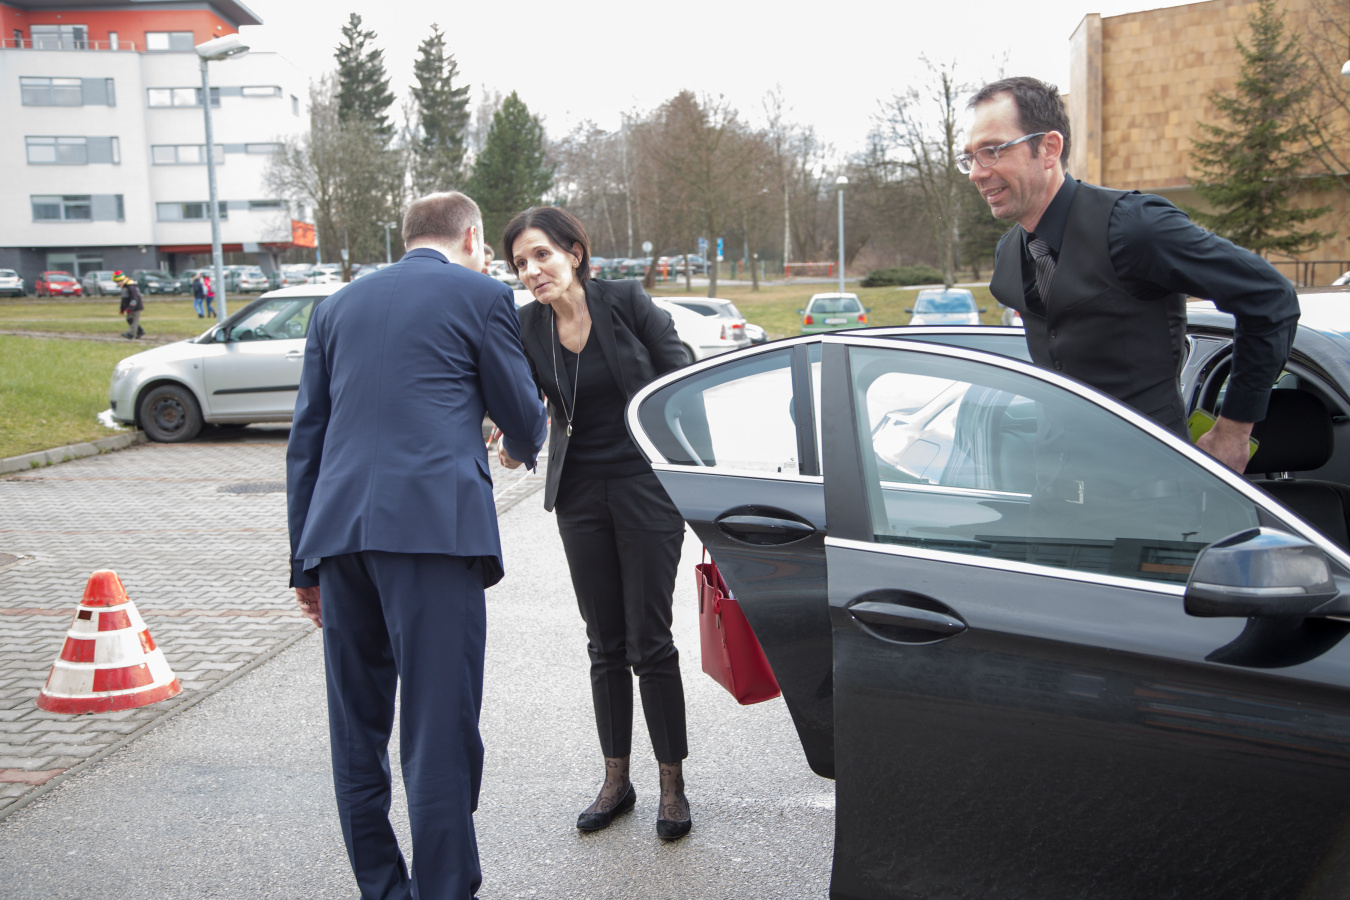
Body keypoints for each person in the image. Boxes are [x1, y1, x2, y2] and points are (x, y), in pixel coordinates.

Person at [286, 191, 547, 899]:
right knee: (438, 729)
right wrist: (522, 440)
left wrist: (303, 564)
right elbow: (521, 413)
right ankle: (444, 889)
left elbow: (306, 442)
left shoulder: (335, 307)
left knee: (356, 730)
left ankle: (382, 888)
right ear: (471, 237)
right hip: (434, 534)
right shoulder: (481, 296)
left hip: (339, 539)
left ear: (407, 237)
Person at [964, 76, 1300, 473]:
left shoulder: (1135, 227)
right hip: (1056, 486)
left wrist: (1233, 432)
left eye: (992, 151)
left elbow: (1269, 297)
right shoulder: (1007, 254)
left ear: (1050, 148)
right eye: (970, 157)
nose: (976, 173)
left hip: (1152, 485)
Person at [499, 206, 695, 840]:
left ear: (574, 254)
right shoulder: (526, 325)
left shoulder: (626, 301)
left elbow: (682, 377)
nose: (532, 271)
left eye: (542, 255)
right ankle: (616, 781)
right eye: (521, 263)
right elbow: (523, 402)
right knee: (603, 642)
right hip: (579, 494)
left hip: (645, 488)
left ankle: (672, 785)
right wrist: (514, 439)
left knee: (650, 641)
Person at [114, 272, 144, 339]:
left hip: (136, 307)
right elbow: (124, 299)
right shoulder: (125, 287)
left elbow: (134, 299)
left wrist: (130, 308)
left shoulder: (131, 286)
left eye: (118, 282)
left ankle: (130, 334)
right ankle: (140, 331)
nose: (118, 283)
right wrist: (122, 309)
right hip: (130, 307)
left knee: (134, 321)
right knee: (129, 319)